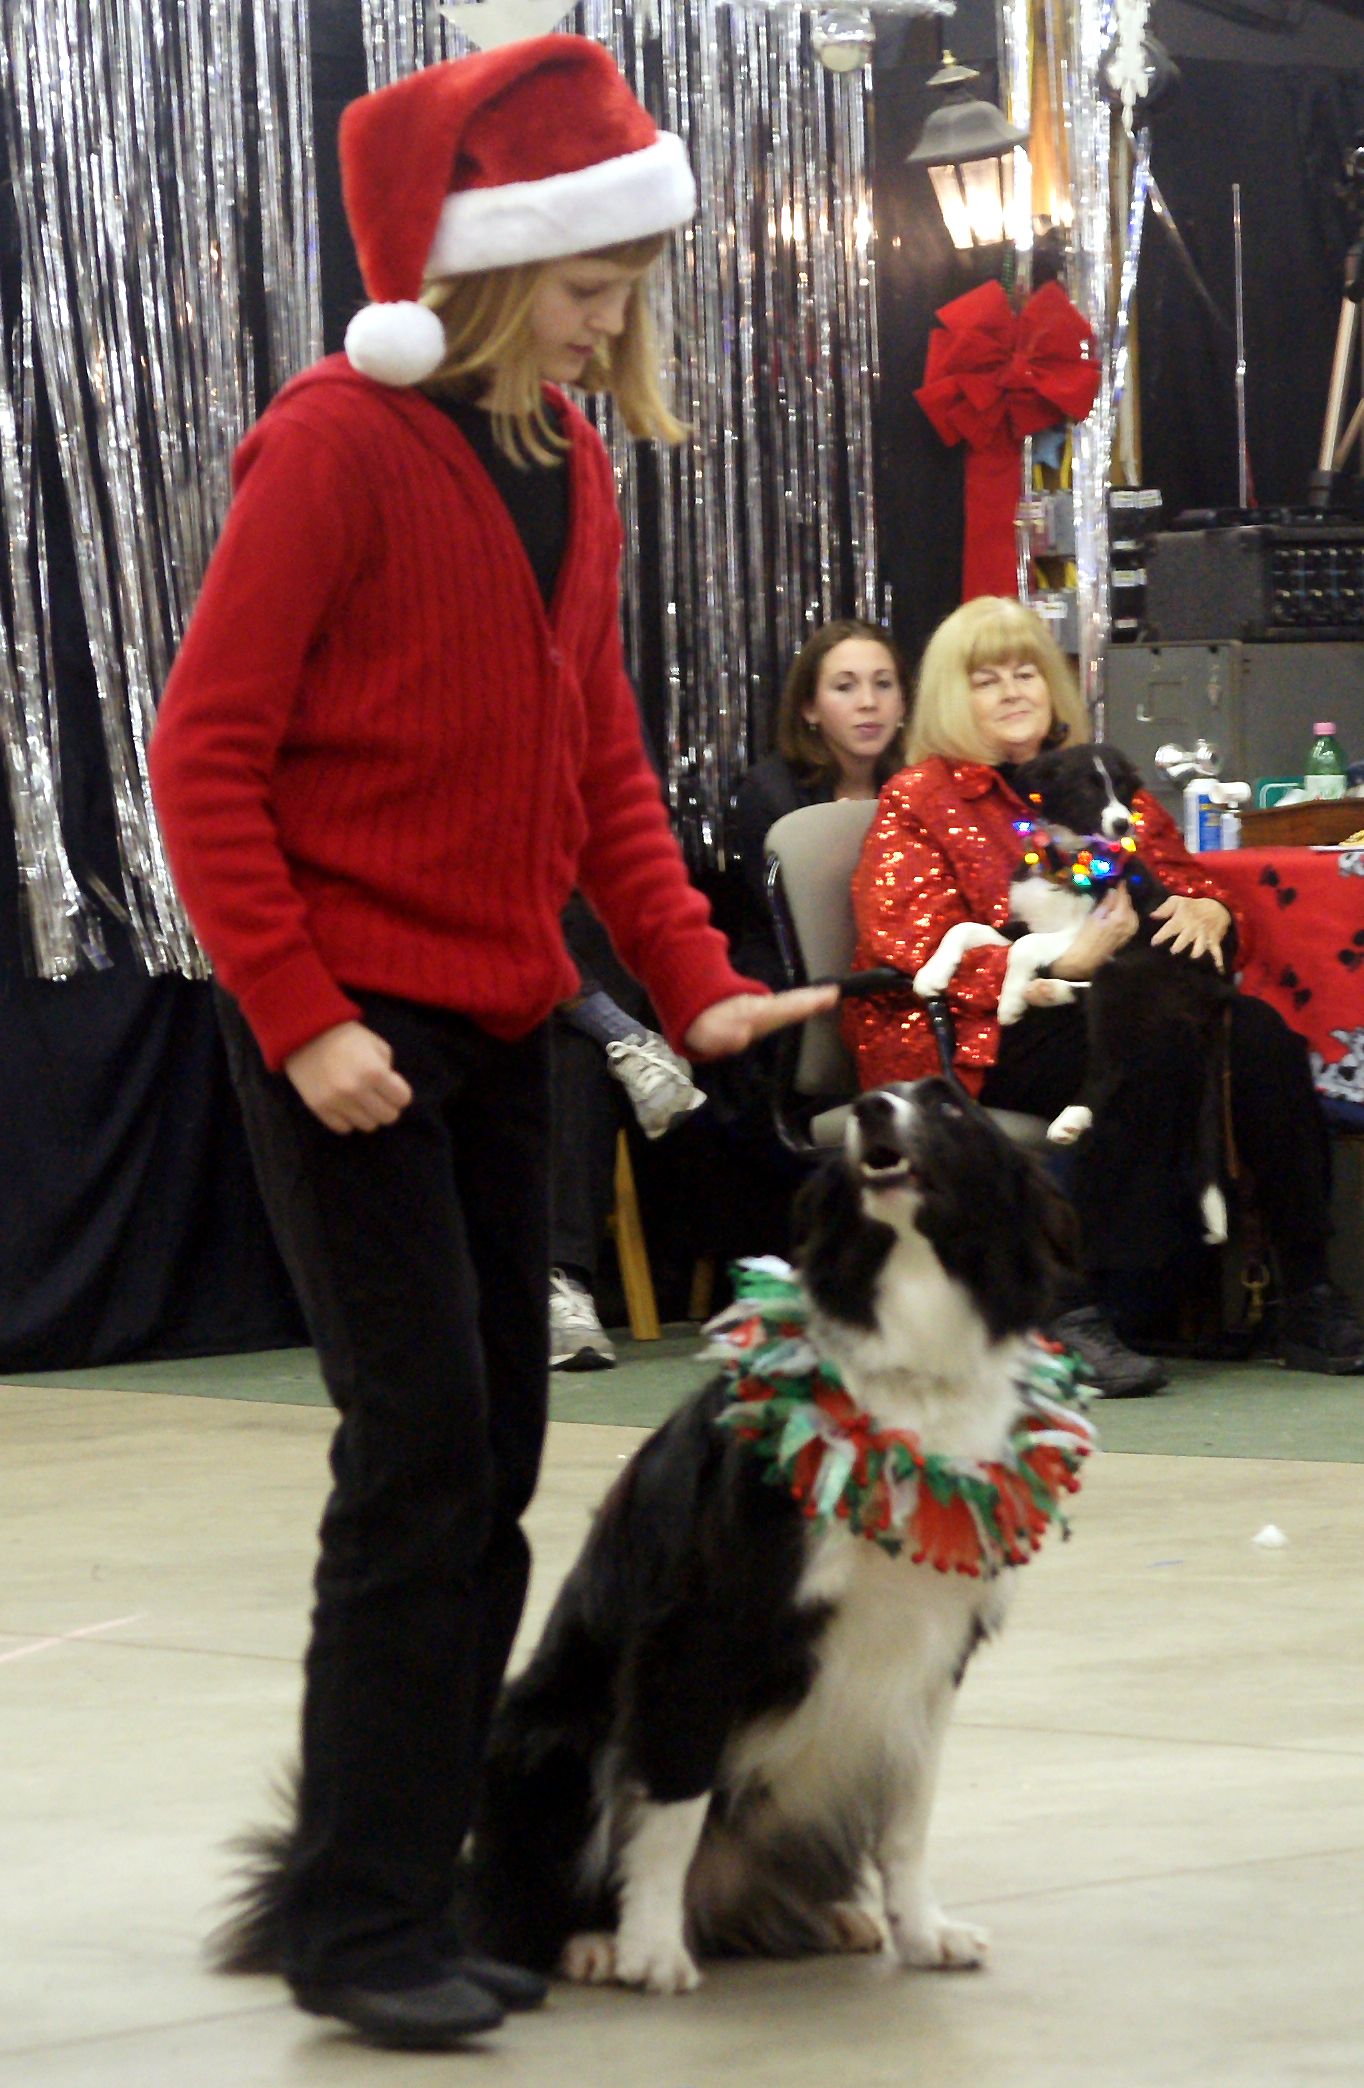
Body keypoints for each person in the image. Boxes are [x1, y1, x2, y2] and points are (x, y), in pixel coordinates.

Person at [149, 37, 834, 2054]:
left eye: (629, 281)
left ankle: (411, 1872)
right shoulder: (330, 448)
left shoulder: (569, 464)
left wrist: (694, 976)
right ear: (473, 267)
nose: (616, 314)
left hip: (503, 1022)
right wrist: (298, 1014)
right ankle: (356, 1920)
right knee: (421, 1459)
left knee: (505, 1460)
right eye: (587, 279)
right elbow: (205, 760)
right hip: (350, 1036)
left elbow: (597, 759)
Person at [846, 595, 1364, 1392]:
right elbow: (909, 942)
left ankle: (1305, 1288)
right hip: (983, 1020)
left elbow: (1190, 894)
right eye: (988, 680)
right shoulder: (922, 799)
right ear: (954, 697)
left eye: (1026, 672)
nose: (1014, 691)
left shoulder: (1103, 776)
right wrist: (1062, 964)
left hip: (1124, 996)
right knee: (1149, 1042)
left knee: (1258, 1034)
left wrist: (1210, 908)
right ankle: (1083, 1303)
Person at [729, 618, 909, 986]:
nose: (869, 703)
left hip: (900, 973)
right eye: (845, 687)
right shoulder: (769, 793)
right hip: (794, 985)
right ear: (809, 708)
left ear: (903, 703)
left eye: (884, 684)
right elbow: (793, 924)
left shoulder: (918, 785)